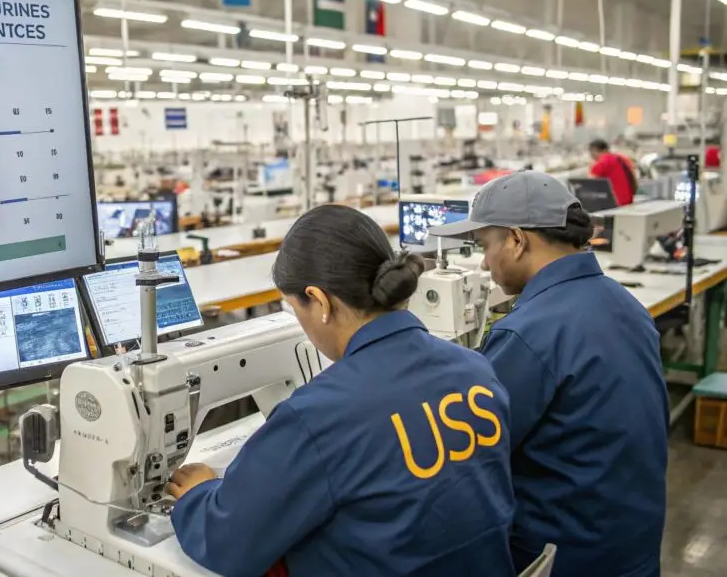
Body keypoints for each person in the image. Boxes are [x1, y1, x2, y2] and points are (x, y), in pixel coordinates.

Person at [169, 205, 517, 577]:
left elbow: (228, 544)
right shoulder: (475, 369)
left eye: (294, 309)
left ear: (319, 301)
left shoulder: (319, 415)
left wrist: (198, 496)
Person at [430, 171, 668, 577]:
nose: (485, 262)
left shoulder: (528, 333)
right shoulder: (626, 304)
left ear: (518, 239)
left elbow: (470, 459)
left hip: (563, 556)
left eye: (486, 245)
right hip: (633, 547)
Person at [588, 138, 637, 206]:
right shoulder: (621, 158)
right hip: (629, 200)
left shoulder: (604, 161)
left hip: (617, 203)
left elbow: (590, 179)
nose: (591, 155)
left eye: (592, 152)